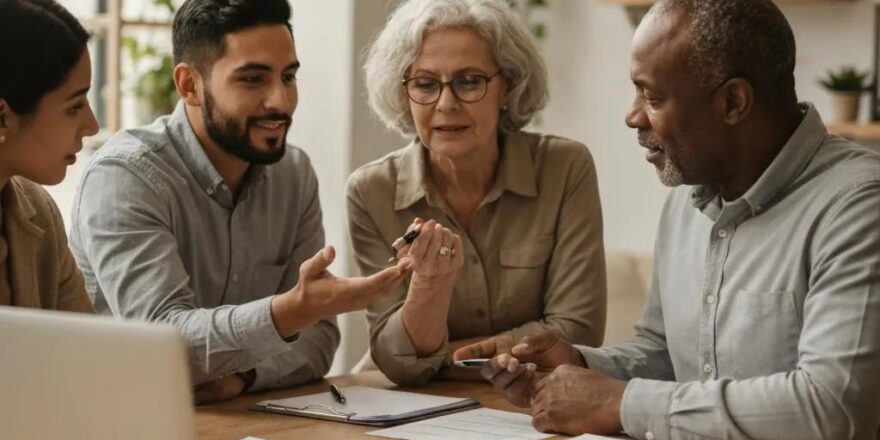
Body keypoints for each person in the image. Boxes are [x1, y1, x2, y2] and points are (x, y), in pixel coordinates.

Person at [461, 0, 880, 438]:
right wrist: (581, 365)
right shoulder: (687, 201)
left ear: (733, 102)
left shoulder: (857, 206)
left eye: (652, 96)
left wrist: (619, 403)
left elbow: (835, 408)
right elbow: (666, 353)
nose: (633, 116)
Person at [69, 0, 411, 404]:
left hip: (239, 417)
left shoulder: (293, 174)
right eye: (252, 79)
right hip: (123, 416)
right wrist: (288, 313)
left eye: (288, 77)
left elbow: (318, 339)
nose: (280, 101)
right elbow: (160, 343)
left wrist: (246, 376)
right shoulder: (125, 177)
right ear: (189, 85)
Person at [349, 0, 607, 386]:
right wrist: (430, 286)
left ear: (508, 86)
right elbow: (397, 363)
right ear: (403, 94)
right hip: (418, 406)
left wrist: (441, 358)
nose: (446, 104)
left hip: (535, 398)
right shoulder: (371, 192)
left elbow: (578, 331)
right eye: (425, 84)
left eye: (470, 81)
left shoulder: (565, 168)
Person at [0, 0, 98, 313]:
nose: (92, 126)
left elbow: (83, 340)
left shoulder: (39, 211)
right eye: (74, 106)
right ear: (2, 119)